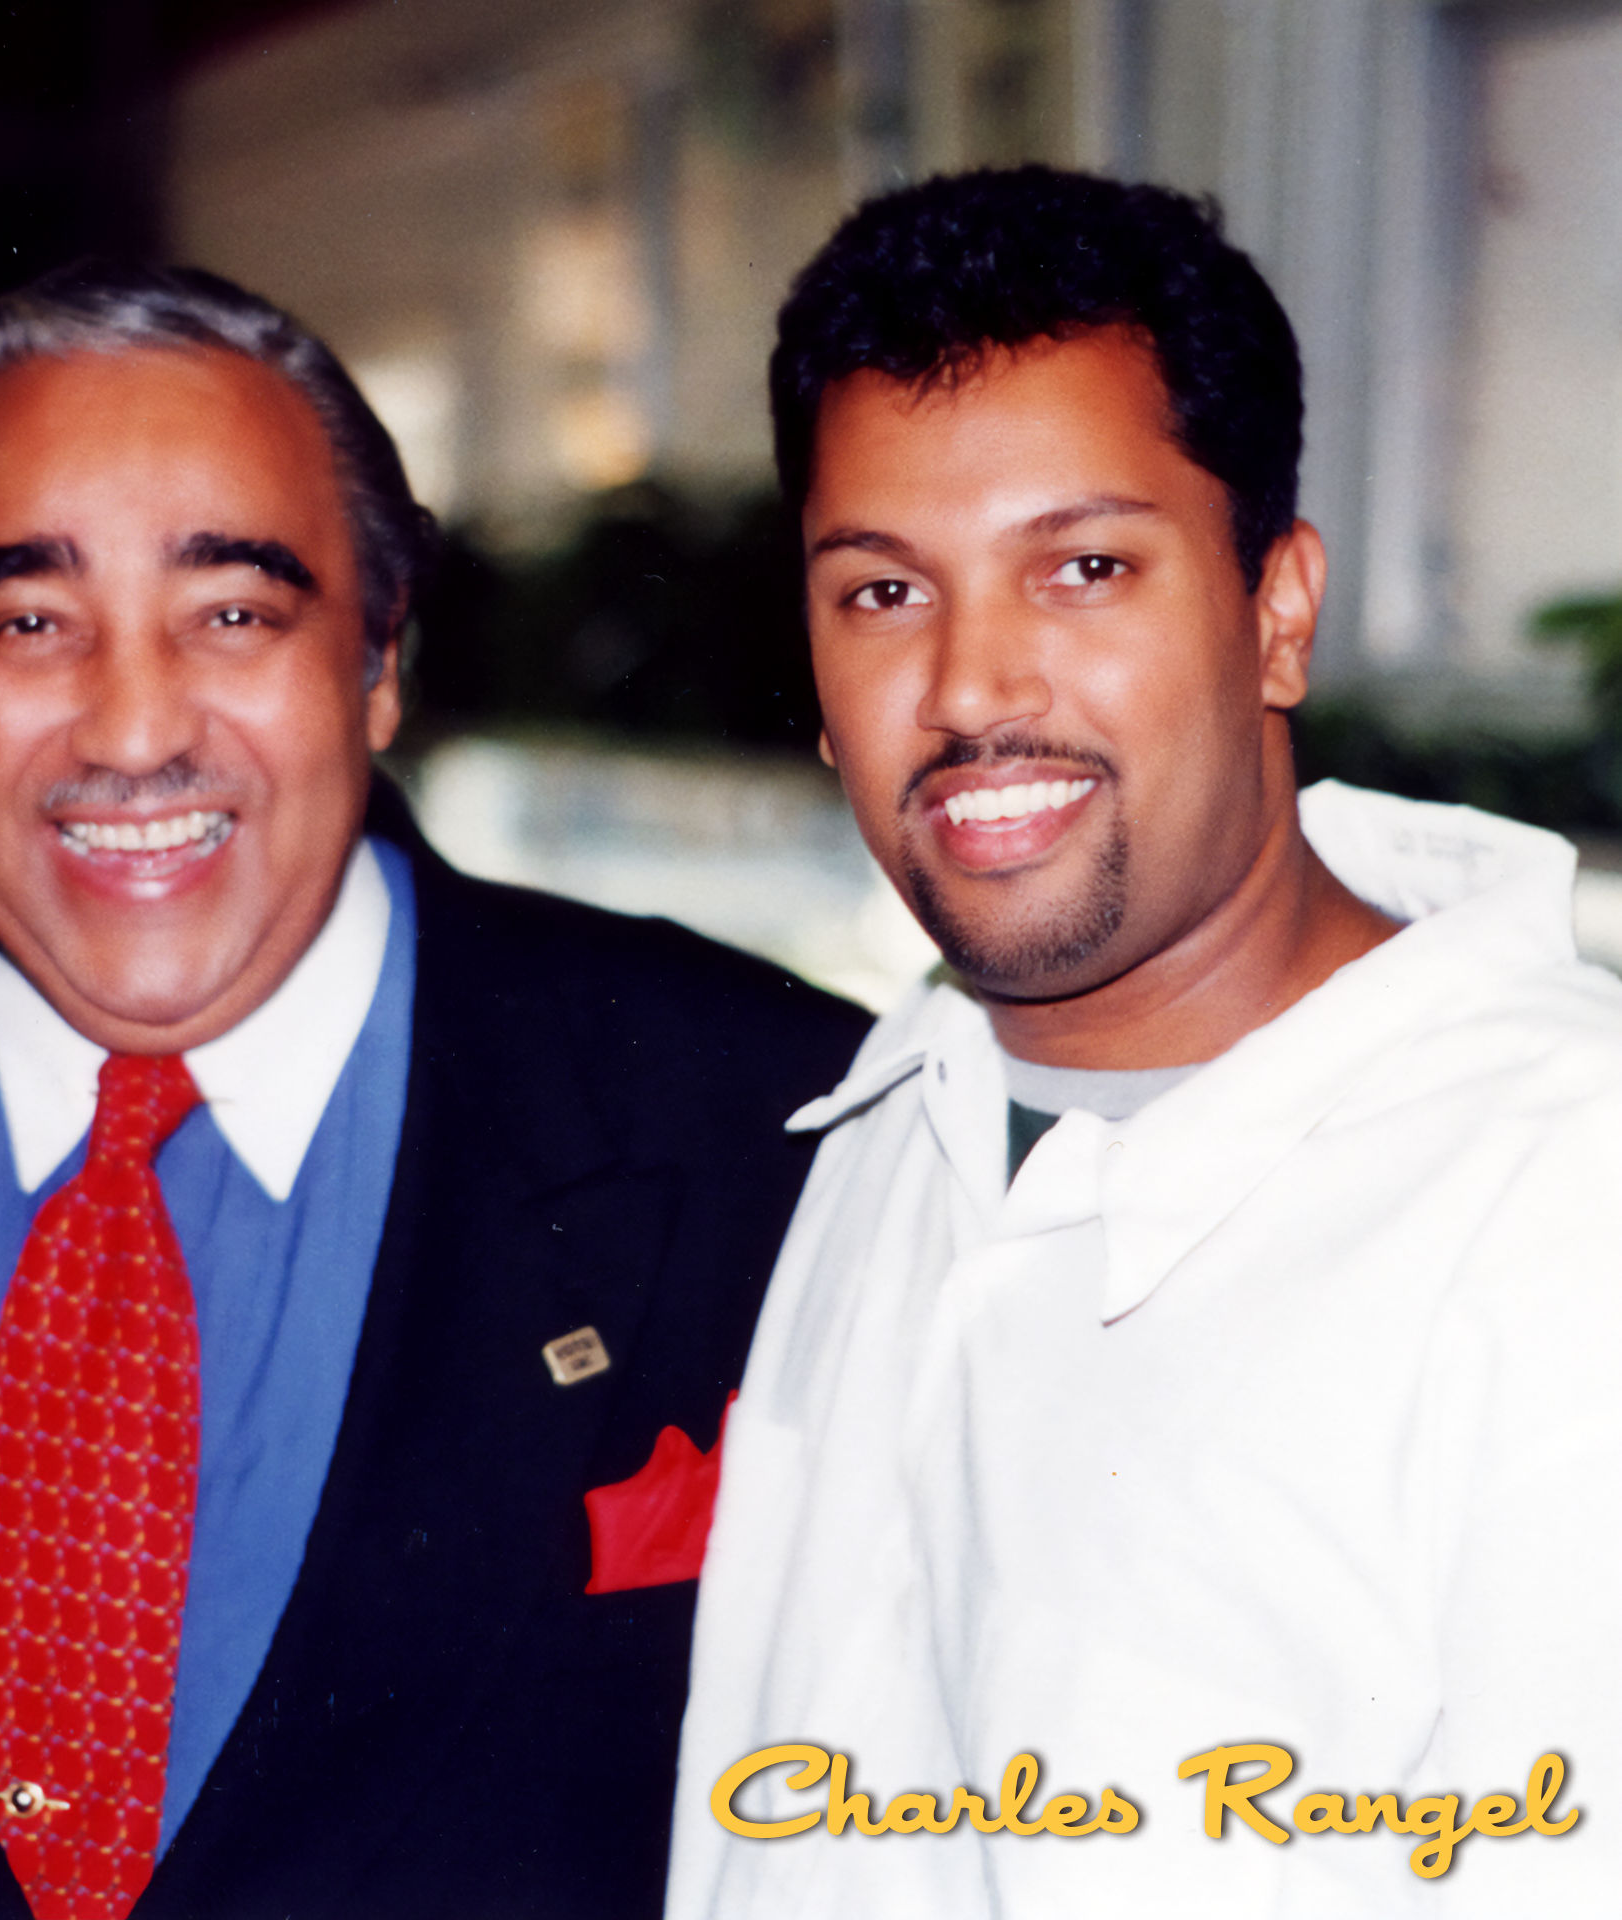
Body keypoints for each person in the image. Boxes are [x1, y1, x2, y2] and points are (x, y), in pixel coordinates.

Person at [0, 261, 869, 1920]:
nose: (132, 727)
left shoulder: (766, 1124)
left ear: (376, 665)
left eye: (232, 613)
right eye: (27, 621)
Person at [668, 167, 1622, 1919]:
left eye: (1084, 568)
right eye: (882, 593)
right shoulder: (891, 1127)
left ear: (1275, 608)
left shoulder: (1565, 1200)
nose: (971, 688)